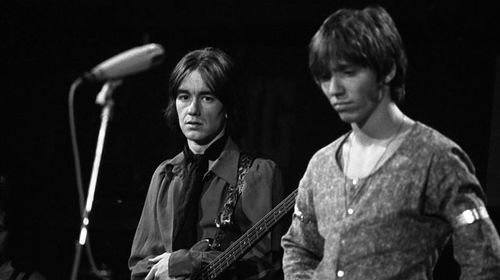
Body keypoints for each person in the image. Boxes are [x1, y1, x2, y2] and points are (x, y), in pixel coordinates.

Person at [281, 5, 500, 280]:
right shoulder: (321, 164)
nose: (334, 89)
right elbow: (299, 248)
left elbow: (483, 260)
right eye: (325, 77)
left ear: (387, 70)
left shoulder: (435, 158)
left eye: (348, 72)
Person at [129, 47, 285, 280]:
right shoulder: (165, 175)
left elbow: (264, 266)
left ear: (228, 107)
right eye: (184, 97)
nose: (193, 110)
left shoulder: (257, 174)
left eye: (207, 98)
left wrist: (186, 262)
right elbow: (139, 266)